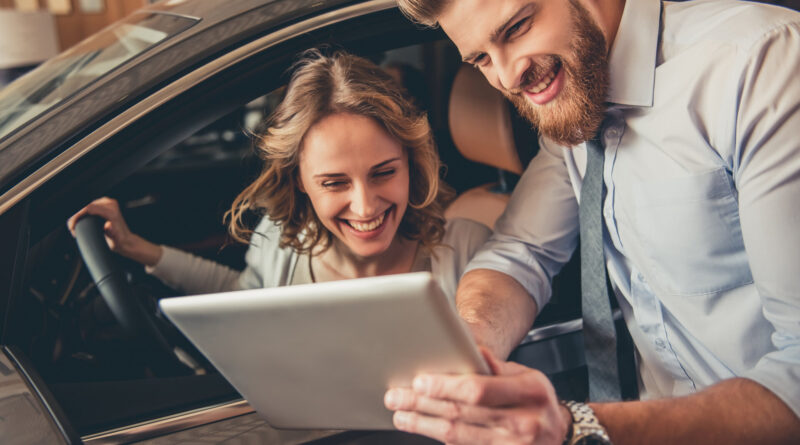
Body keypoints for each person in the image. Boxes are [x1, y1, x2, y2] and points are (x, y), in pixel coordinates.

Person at [384, 1, 800, 444]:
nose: (506, 78)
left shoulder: (759, 63)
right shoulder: (573, 97)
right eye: (482, 59)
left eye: (518, 27)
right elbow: (520, 253)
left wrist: (574, 426)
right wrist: (472, 351)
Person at [68, 49, 490, 300]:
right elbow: (245, 299)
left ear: (411, 163)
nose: (364, 205)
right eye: (334, 182)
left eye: (383, 173)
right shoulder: (282, 244)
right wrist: (137, 248)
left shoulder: (468, 251)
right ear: (299, 181)